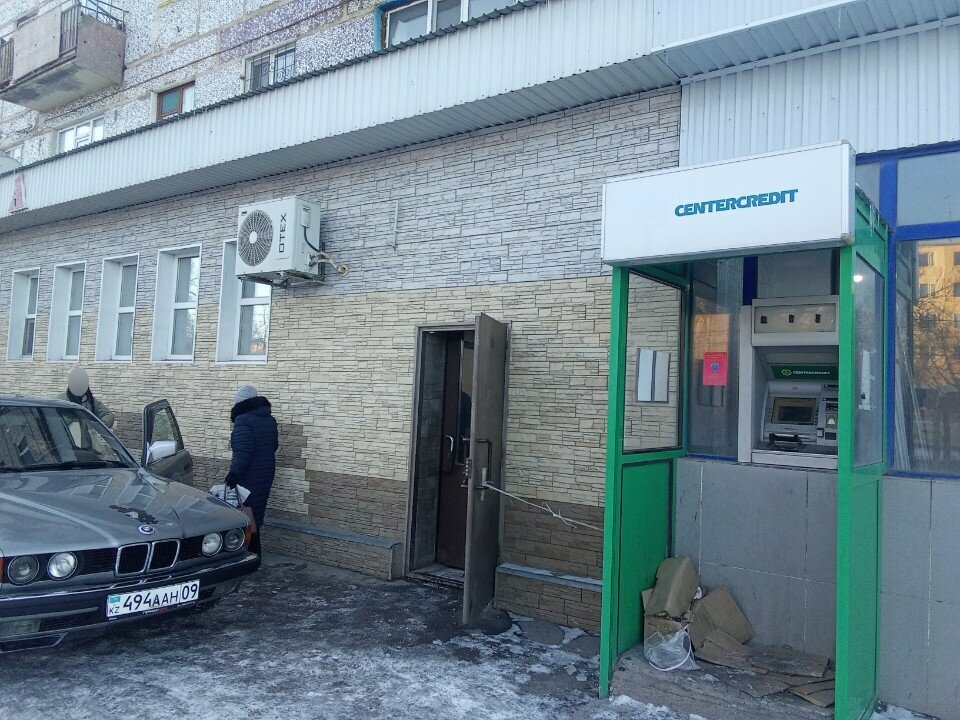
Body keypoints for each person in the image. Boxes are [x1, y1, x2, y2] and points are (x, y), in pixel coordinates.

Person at [225, 384, 278, 555]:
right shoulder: (269, 419)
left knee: (245, 515)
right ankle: (255, 553)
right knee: (256, 512)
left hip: (248, 474)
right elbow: (274, 446)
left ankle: (248, 555)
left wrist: (233, 474)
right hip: (266, 471)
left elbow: (243, 452)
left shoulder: (243, 421)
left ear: (240, 403)